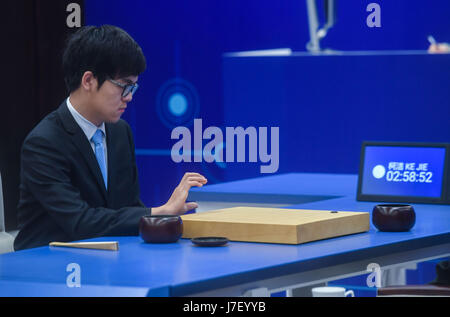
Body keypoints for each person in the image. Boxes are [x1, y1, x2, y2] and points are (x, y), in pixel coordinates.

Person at [13, 25, 207, 251]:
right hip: (46, 268)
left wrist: (168, 221)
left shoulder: (120, 132)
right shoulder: (43, 143)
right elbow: (80, 222)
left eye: (133, 88)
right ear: (88, 81)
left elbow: (129, 207)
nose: (129, 98)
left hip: (107, 261)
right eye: (123, 86)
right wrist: (159, 211)